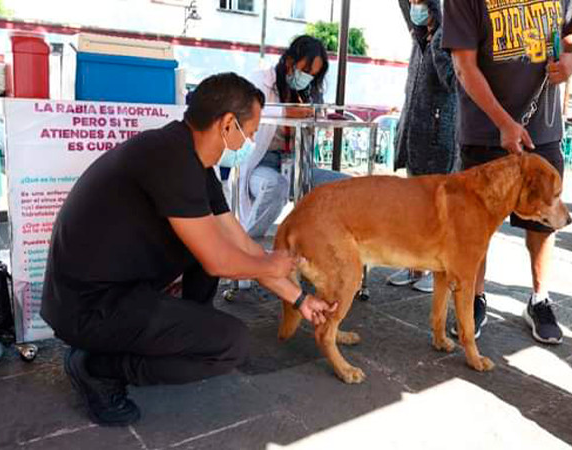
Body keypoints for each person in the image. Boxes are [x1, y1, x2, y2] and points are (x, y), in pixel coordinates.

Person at [41, 73, 336, 427]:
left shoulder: (192, 159)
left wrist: (301, 300)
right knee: (232, 344)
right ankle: (98, 367)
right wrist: (275, 265)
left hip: (112, 290)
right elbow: (219, 261)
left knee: (208, 246)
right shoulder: (171, 159)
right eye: (251, 132)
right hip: (87, 306)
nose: (251, 142)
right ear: (227, 124)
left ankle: (187, 332)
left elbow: (240, 244)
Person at [442, 0, 572, 343]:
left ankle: (540, 299)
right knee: (475, 225)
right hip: (484, 130)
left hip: (543, 127)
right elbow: (463, 66)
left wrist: (571, 62)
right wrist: (503, 122)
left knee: (543, 220)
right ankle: (475, 297)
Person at [237, 35, 349, 239]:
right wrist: (286, 112)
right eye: (305, 71)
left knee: (349, 187)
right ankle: (247, 244)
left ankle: (324, 246)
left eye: (313, 75)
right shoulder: (260, 80)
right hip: (262, 164)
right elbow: (247, 110)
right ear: (289, 61)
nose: (307, 78)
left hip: (297, 166)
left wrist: (320, 117)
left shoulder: (307, 93)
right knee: (275, 186)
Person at [385, 0, 460, 294]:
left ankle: (438, 269)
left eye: (420, 2)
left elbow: (453, 84)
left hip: (438, 138)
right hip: (413, 136)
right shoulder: (418, 38)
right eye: (412, 2)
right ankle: (415, 266)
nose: (415, 7)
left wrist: (439, 50)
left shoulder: (446, 38)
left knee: (436, 210)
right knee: (414, 209)